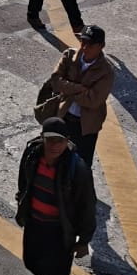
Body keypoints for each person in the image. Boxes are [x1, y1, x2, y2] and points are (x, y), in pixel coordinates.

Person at [15, 117, 97, 275]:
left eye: (59, 141)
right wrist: (22, 201)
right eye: (50, 140)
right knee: (31, 262)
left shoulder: (78, 169)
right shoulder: (32, 154)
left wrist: (84, 240)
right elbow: (23, 180)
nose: (54, 145)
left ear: (67, 141)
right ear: (42, 138)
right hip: (35, 223)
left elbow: (88, 207)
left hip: (60, 231)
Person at [48, 25, 114, 168]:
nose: (84, 47)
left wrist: (68, 89)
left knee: (81, 165)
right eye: (82, 42)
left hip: (86, 127)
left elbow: (93, 100)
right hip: (64, 117)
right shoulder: (69, 55)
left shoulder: (106, 71)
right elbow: (55, 81)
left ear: (101, 46)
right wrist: (79, 88)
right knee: (56, 159)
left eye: (90, 44)